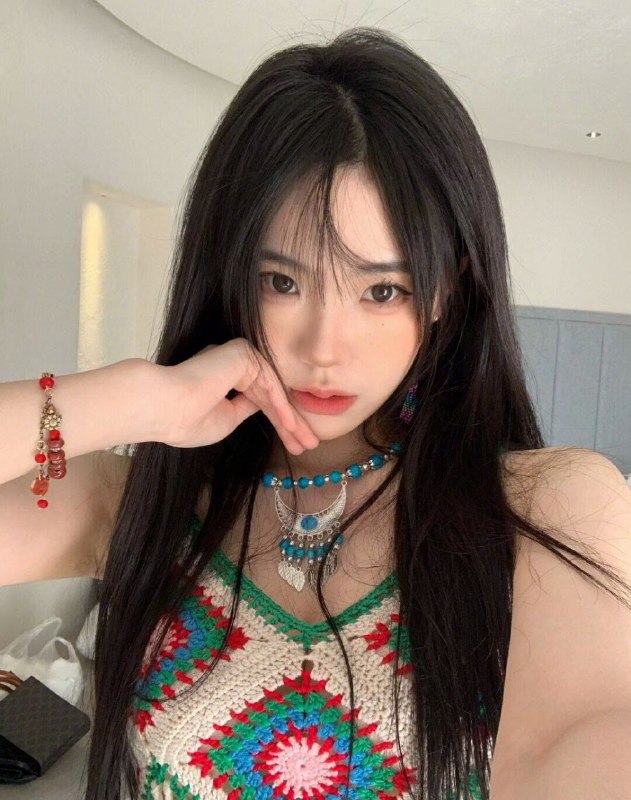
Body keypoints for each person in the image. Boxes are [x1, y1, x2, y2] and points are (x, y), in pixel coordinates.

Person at [2, 26, 631, 800]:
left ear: (444, 291)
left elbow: (586, 735)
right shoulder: (138, 505)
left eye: (381, 290)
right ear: (231, 276)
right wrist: (130, 397)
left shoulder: (541, 509)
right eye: (282, 282)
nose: (323, 347)